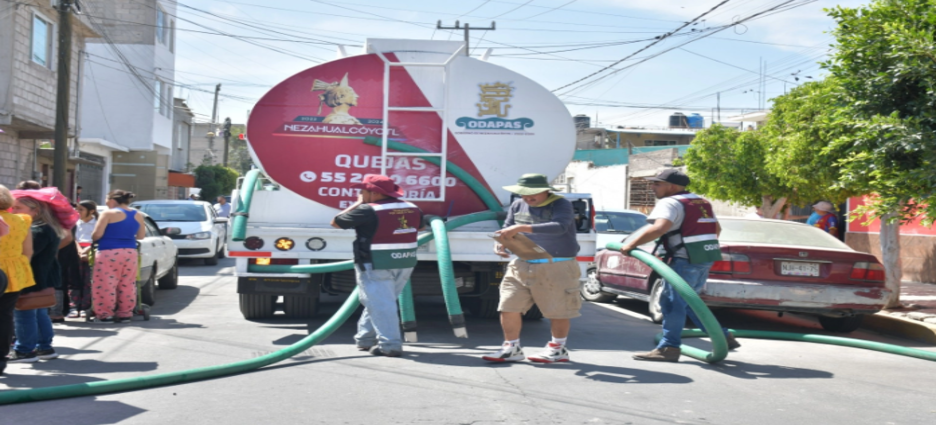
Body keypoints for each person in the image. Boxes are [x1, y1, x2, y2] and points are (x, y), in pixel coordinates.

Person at [619, 169, 739, 362]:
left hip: (685, 260)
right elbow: (716, 229)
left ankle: (669, 347)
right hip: (703, 257)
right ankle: (722, 336)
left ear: (672, 187)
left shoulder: (670, 202)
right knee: (690, 302)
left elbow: (658, 228)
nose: (652, 188)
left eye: (657, 184)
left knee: (672, 303)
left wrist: (631, 245)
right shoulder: (701, 202)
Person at [482, 174, 582, 364]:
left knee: (558, 310)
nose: (527, 198)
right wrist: (502, 243)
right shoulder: (517, 205)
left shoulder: (561, 204)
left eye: (532, 194)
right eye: (524, 194)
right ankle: (511, 347)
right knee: (508, 305)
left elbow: (560, 227)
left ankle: (557, 348)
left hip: (557, 264)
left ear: (546, 191)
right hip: (521, 263)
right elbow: (507, 227)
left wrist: (520, 229)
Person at [331, 174, 423, 357]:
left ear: (373, 193)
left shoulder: (368, 210)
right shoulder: (412, 207)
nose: (360, 194)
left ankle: (390, 345)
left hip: (376, 262)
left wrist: (358, 203)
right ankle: (364, 339)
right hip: (405, 261)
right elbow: (420, 228)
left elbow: (336, 222)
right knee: (380, 301)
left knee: (381, 303)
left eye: (362, 191)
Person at [10, 192, 67, 362]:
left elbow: (27, 253)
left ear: (35, 210)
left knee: (24, 312)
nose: (14, 211)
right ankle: (44, 347)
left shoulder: (38, 229)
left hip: (32, 276)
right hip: (42, 275)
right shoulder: (47, 227)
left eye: (19, 207)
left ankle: (25, 350)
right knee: (39, 311)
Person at [91, 190, 145, 323]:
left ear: (112, 201)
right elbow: (141, 236)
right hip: (130, 252)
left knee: (105, 284)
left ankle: (105, 314)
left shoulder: (108, 213)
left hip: (108, 251)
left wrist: (93, 238)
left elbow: (97, 235)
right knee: (128, 283)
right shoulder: (137, 214)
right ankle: (125, 313)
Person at [0, 186, 35, 371]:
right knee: (5, 315)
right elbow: (28, 251)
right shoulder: (22, 220)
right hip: (14, 271)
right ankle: (1, 359)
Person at [68, 200, 98, 318]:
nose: (78, 212)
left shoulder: (97, 223)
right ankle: (73, 307)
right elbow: (73, 238)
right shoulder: (75, 223)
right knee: (74, 280)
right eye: (77, 209)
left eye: (81, 209)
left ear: (91, 211)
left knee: (88, 281)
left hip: (92, 252)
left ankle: (86, 307)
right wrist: (80, 251)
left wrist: (86, 251)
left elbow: (96, 238)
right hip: (76, 252)